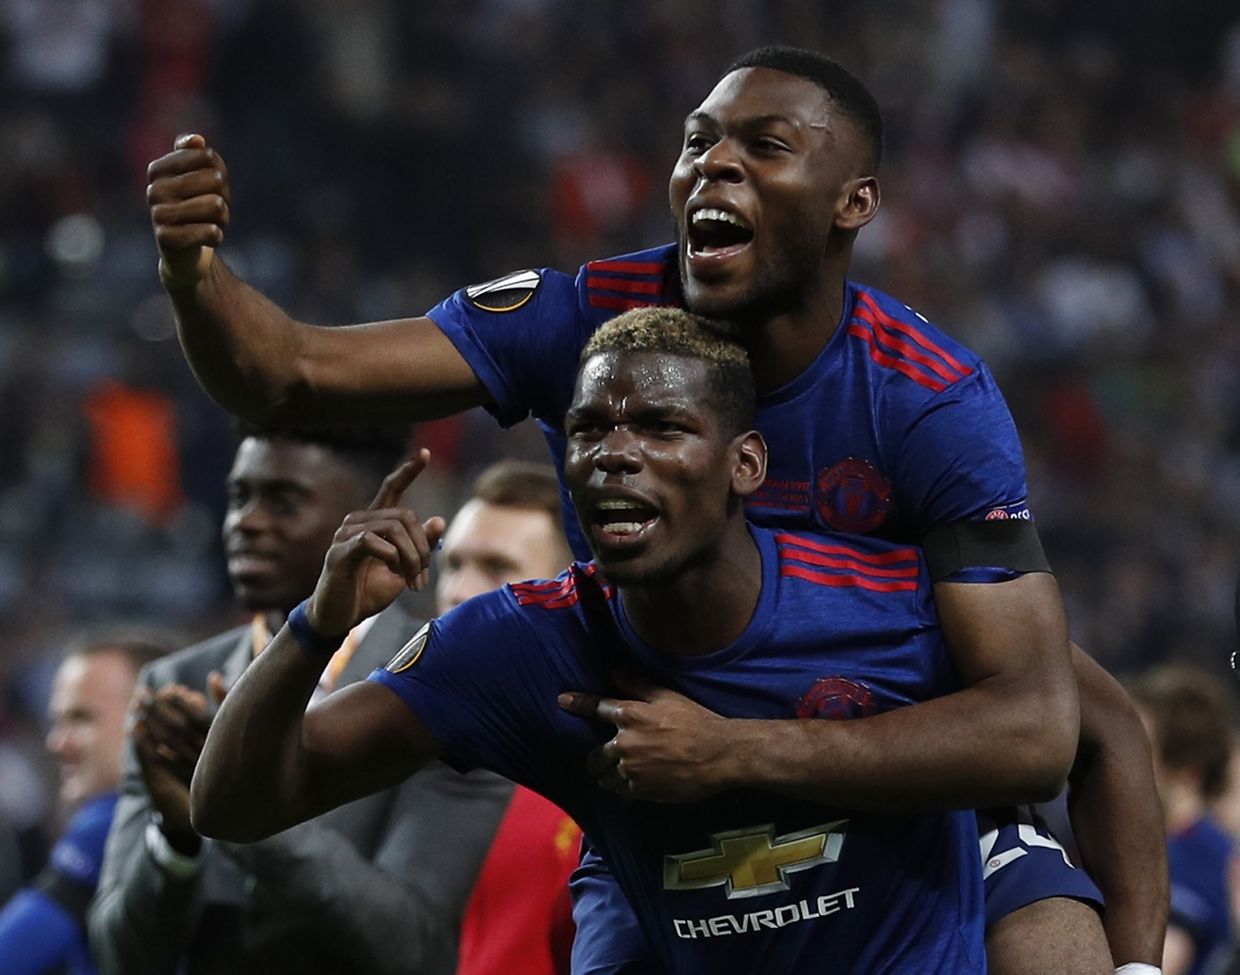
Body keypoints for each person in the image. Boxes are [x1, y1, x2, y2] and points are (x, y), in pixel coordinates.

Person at [145, 44, 1165, 973]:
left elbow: (1059, 722)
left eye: (763, 146)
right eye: (696, 142)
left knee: (1051, 943)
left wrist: (1131, 966)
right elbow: (290, 375)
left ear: (854, 201)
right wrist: (193, 275)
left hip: (892, 784)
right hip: (649, 800)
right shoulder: (588, 326)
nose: (711, 166)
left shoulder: (925, 402)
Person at [191, 306, 1073, 972]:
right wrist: (317, 624)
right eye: (588, 429)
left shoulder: (888, 601)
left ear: (747, 463)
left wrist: (733, 754)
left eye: (660, 427)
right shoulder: (517, 644)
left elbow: (1060, 732)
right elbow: (233, 804)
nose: (615, 454)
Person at [87, 424, 511, 975]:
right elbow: (120, 958)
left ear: (363, 520)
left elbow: (417, 947)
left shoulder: (441, 688)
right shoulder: (175, 684)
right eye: (239, 496)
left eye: (284, 502)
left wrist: (236, 802)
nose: (248, 522)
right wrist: (175, 839)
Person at [437, 460, 580, 975]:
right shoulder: (399, 750)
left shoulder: (624, 759)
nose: (457, 592)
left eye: (496, 568)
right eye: (452, 564)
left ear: (568, 589)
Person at [0, 629, 175, 974]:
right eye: (56, 720)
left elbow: (10, 955)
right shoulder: (208, 818)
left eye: (81, 718)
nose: (56, 742)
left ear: (155, 719)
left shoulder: (114, 820)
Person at [1129, 664, 1236, 975]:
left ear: (1187, 770)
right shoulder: (1155, 845)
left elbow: (1159, 964)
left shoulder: (1196, 857)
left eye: (1140, 750)